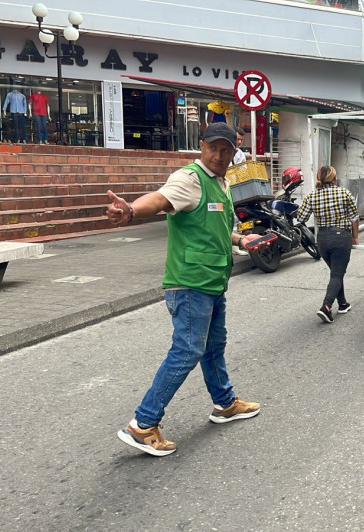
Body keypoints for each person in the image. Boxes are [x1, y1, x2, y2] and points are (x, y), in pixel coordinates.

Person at [106, 122, 264, 457]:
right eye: (213, 148)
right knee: (188, 350)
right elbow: (161, 200)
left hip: (211, 281)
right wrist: (131, 210)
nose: (219, 155)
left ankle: (224, 403)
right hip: (190, 283)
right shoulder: (189, 179)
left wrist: (240, 239)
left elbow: (213, 228)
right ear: (201, 146)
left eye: (226, 150)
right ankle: (143, 424)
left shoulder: (219, 183)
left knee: (212, 346)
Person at [294, 165, 360, 323]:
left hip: (322, 239)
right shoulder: (343, 192)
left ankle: (343, 303)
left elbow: (301, 218)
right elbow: (354, 217)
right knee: (337, 274)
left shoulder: (312, 196)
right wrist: (355, 237)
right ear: (334, 178)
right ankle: (326, 306)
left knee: (335, 273)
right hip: (340, 237)